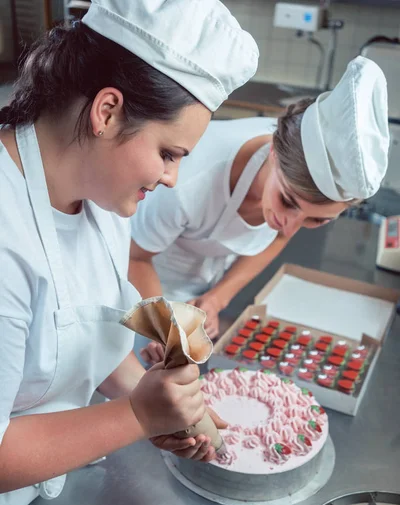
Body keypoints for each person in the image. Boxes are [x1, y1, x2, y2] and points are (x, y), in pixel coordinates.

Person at [0, 0, 259, 505]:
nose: (172, 179)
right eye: (169, 153)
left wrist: (153, 403)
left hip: (44, 498)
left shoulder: (102, 198)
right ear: (107, 111)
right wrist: (137, 416)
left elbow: (84, 337)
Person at [129, 57, 389, 364]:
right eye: (288, 201)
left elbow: (278, 237)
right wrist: (161, 323)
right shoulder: (189, 182)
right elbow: (135, 256)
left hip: (199, 289)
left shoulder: (291, 204)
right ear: (273, 154)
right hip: (141, 287)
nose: (290, 227)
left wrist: (217, 298)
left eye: (316, 220)